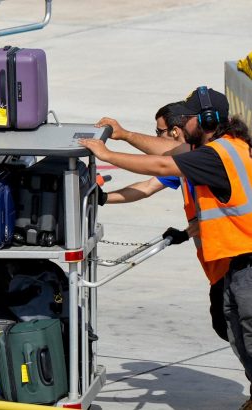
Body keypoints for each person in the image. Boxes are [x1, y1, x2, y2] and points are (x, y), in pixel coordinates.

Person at [80, 87, 251, 409]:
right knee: (230, 325)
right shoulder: (215, 148)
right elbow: (166, 155)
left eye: (187, 119)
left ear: (207, 119)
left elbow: (161, 165)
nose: (179, 127)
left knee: (248, 332)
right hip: (230, 261)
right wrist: (124, 136)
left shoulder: (216, 155)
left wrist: (107, 155)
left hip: (245, 259)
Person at [98, 104, 230, 342]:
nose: (156, 137)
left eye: (159, 132)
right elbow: (148, 187)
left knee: (236, 330)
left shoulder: (201, 159)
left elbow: (161, 159)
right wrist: (104, 198)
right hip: (216, 265)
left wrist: (114, 147)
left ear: (175, 131)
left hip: (232, 263)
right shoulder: (185, 164)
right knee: (227, 328)